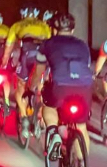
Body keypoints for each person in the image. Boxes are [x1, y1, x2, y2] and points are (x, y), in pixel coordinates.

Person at [39, 12, 94, 155]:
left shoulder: (48, 44)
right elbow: (87, 65)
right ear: (73, 30)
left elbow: (39, 68)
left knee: (49, 106)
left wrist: (33, 87)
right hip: (85, 87)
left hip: (61, 86)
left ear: (53, 29)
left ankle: (53, 133)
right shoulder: (83, 45)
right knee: (81, 126)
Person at [4, 7, 52, 137]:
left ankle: (24, 118)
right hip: (44, 58)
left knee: (20, 87)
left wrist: (4, 62)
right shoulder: (43, 25)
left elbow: (9, 46)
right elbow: (50, 42)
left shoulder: (17, 25)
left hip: (27, 57)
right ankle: (40, 115)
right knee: (43, 86)